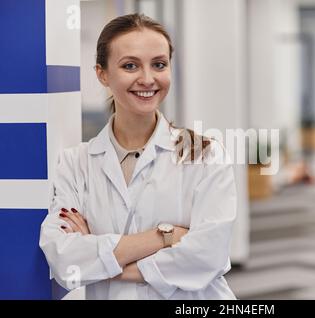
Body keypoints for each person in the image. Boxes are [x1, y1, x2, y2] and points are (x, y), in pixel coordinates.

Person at [39, 13, 237, 300]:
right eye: (130, 65)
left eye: (159, 64)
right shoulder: (75, 163)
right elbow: (64, 259)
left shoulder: (205, 155)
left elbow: (208, 257)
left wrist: (98, 258)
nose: (147, 79)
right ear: (102, 73)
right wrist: (164, 237)